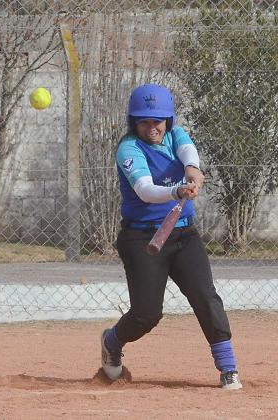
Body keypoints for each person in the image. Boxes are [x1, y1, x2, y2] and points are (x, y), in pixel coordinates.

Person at [100, 83, 242, 390]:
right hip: (142, 239)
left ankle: (228, 367)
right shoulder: (129, 149)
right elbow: (146, 191)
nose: (152, 127)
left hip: (183, 235)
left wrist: (193, 169)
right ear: (133, 121)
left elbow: (187, 149)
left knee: (205, 297)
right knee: (146, 314)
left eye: (158, 120)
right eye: (144, 121)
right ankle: (112, 341)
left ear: (168, 120)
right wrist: (176, 190)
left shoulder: (176, 135)